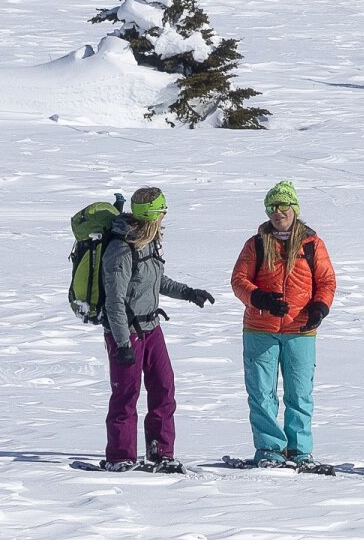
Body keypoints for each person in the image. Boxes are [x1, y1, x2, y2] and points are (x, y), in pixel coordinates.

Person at [99, 185, 215, 471]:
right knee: (126, 395)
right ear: (153, 215)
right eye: (163, 211)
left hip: (151, 327)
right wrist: (122, 343)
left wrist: (189, 293)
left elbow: (156, 280)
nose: (165, 217)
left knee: (164, 387)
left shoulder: (148, 242)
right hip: (126, 332)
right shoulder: (121, 249)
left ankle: (160, 451)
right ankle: (120, 456)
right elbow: (114, 301)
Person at [230, 179, 335, 466]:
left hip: (301, 329)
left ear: (295, 208)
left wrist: (320, 308)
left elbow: (326, 281)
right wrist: (259, 298)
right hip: (260, 329)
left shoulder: (312, 244)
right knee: (261, 393)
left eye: (283, 205)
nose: (277, 212)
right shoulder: (256, 244)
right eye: (272, 207)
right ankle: (270, 449)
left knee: (299, 393)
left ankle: (300, 450)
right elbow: (239, 280)